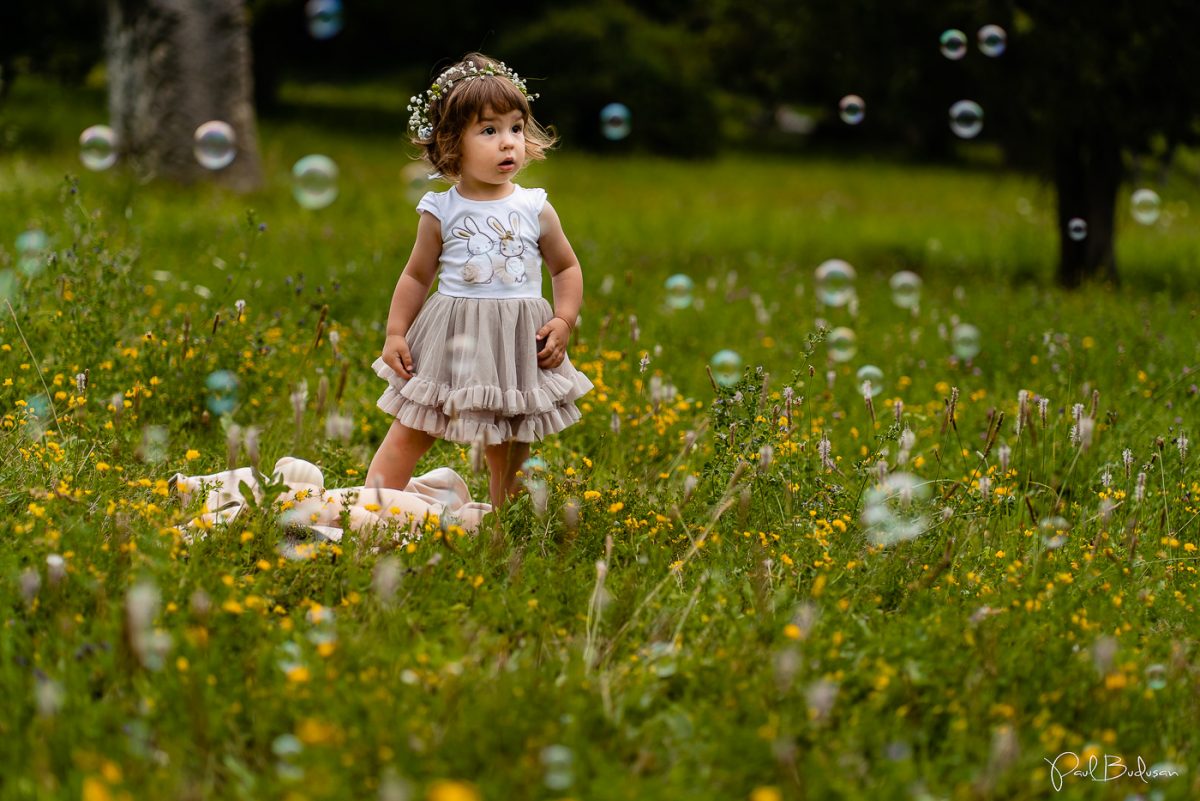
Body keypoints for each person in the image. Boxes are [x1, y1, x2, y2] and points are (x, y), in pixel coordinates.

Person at [366, 53, 593, 509]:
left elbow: (565, 268)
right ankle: (370, 505)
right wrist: (395, 332)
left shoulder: (535, 207)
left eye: (515, 128)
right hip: (450, 335)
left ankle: (502, 530)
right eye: (488, 131)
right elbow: (415, 275)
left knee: (509, 443)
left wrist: (565, 319)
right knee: (414, 427)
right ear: (452, 143)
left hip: (514, 341)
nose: (508, 143)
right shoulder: (441, 210)